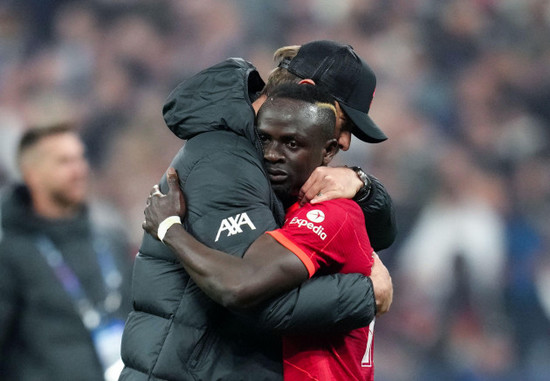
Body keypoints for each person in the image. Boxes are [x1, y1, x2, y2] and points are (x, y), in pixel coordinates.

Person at [120, 40, 394, 380]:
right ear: (305, 92)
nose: (346, 142)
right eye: (344, 120)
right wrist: (367, 293)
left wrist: (361, 184)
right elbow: (259, 298)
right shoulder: (225, 161)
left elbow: (378, 234)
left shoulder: (276, 161)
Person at [0, 123, 133, 381]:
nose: (80, 170)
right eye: (64, 162)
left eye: (80, 158)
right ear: (32, 174)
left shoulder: (111, 239)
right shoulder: (9, 256)